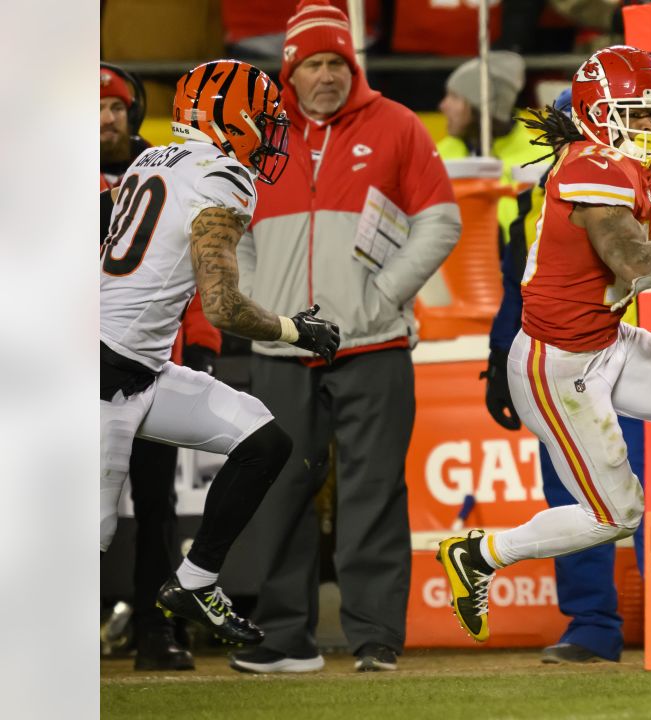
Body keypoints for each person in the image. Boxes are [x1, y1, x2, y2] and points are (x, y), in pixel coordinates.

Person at [437, 45, 651, 645]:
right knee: (617, 517)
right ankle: (480, 555)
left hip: (606, 339)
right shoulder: (590, 166)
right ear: (596, 110)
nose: (647, 126)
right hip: (555, 361)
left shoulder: (640, 168)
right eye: (634, 114)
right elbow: (634, 262)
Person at [228, 0, 461, 674]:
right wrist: (254, 305)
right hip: (280, 346)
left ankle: (376, 639)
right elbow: (228, 229)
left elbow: (440, 221)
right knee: (277, 494)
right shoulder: (258, 135)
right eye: (313, 65)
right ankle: (284, 639)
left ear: (351, 66)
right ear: (289, 71)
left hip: (375, 346)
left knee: (374, 492)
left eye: (338, 63)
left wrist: (381, 296)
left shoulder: (397, 126)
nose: (326, 76)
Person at [100, 59, 340, 649]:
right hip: (102, 372)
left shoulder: (153, 159)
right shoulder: (221, 175)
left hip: (139, 368)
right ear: (227, 118)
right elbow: (224, 306)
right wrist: (294, 331)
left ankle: (195, 581)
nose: (269, 132)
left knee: (264, 441)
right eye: (262, 119)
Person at [483, 89, 645, 663]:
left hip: (634, 357)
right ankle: (593, 625)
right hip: (565, 361)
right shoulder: (534, 198)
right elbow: (515, 286)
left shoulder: (649, 185)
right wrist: (499, 361)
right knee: (578, 493)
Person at [100, 63, 225, 671]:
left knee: (156, 503)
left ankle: (155, 628)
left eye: (116, 106)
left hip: (152, 366)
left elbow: (199, 261)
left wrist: (201, 342)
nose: (105, 117)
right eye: (94, 107)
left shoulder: (169, 169)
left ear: (135, 110)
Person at [437, 51, 548, 244]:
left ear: (479, 106)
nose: (443, 105)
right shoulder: (438, 155)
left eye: (454, 97)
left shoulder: (543, 158)